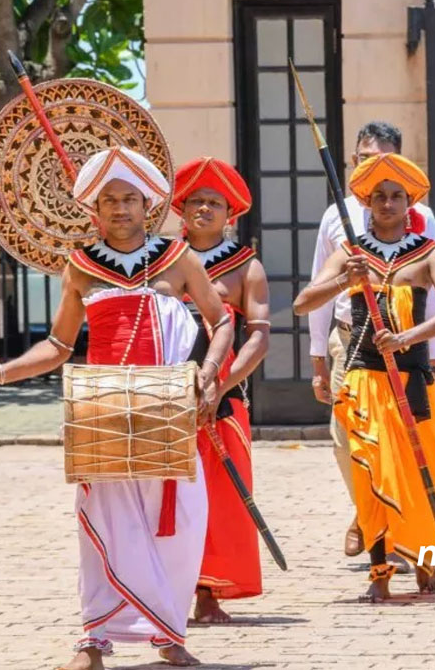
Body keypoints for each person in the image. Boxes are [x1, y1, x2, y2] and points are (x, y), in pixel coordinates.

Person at [0, 146, 234, 669]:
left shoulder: (178, 258)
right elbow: (59, 346)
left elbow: (220, 320)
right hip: (104, 412)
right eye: (109, 200)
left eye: (129, 199)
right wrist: (0, 373)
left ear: (148, 204)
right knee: (102, 527)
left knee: (179, 524)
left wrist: (208, 377)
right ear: (95, 208)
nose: (119, 209)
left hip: (168, 409)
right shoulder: (80, 268)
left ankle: (169, 635)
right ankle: (93, 640)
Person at [294, 153, 435, 601]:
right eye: (379, 197)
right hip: (364, 379)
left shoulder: (428, 253)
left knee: (421, 470)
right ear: (366, 203)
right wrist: (341, 281)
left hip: (411, 381)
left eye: (397, 196)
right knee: (371, 474)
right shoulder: (350, 254)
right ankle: (380, 573)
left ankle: (424, 556)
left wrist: (408, 337)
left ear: (410, 203)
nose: (388, 204)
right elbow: (301, 303)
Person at [306, 121, 435, 561]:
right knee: (349, 437)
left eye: (386, 160)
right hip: (350, 339)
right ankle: (368, 512)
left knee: (414, 443)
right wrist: (317, 358)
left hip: (410, 347)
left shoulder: (423, 226)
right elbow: (313, 289)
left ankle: (405, 531)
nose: (386, 198)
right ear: (354, 162)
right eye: (367, 159)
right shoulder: (337, 218)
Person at [172, 157, 270, 623]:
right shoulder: (161, 260)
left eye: (215, 203)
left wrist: (223, 385)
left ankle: (209, 592)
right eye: (198, 201)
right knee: (168, 497)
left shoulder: (245, 266)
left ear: (229, 214)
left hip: (223, 397)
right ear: (181, 208)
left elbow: (260, 334)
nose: (205, 210)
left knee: (219, 497)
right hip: (167, 391)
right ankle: (167, 587)